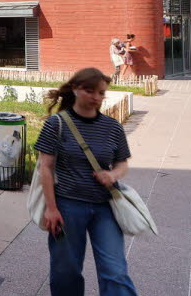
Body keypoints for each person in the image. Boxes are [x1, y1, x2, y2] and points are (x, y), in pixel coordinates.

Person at [35, 67, 137, 296]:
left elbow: (122, 164)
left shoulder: (112, 127)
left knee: (115, 272)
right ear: (75, 89)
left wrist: (112, 175)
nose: (96, 97)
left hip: (105, 207)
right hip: (67, 206)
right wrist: (51, 208)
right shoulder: (56, 124)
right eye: (89, 91)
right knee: (66, 272)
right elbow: (46, 168)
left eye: (101, 93)